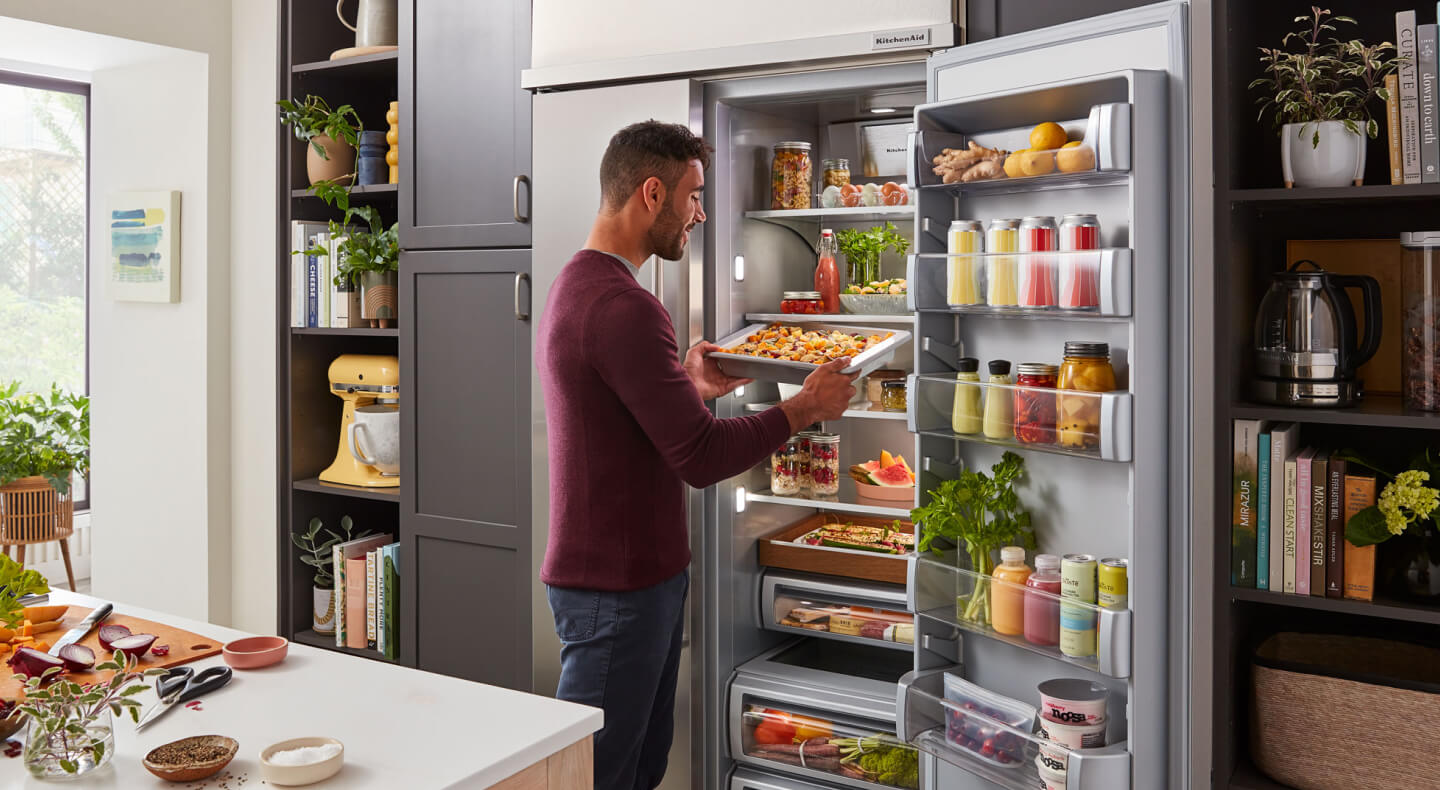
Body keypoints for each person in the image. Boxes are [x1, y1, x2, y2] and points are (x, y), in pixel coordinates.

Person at [535, 120, 856, 790]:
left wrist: (689, 385)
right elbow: (702, 455)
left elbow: (627, 418)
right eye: (694, 197)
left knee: (635, 771)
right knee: (595, 780)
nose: (700, 214)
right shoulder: (625, 306)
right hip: (615, 591)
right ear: (653, 194)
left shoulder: (581, 284)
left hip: (626, 582)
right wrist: (803, 408)